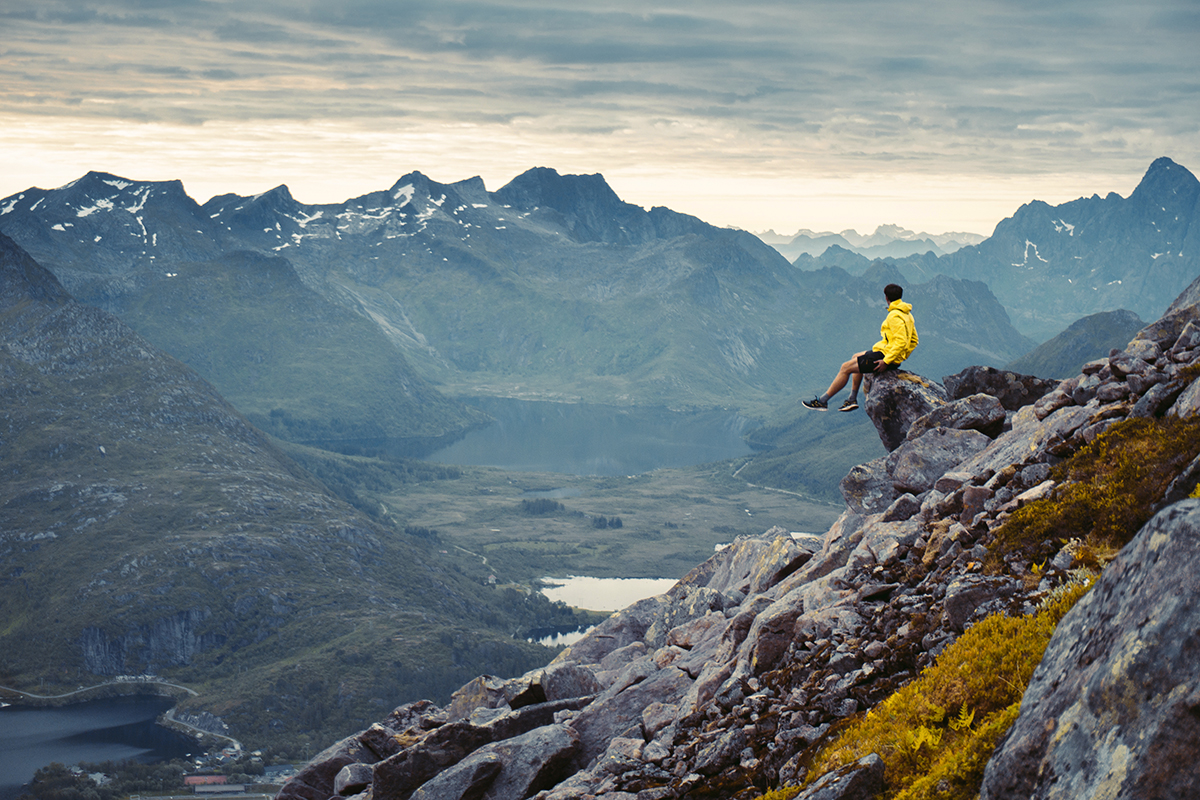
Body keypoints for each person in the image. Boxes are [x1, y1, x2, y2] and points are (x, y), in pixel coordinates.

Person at [802, 283, 918, 411]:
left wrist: (887, 361)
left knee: (845, 367)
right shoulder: (907, 314)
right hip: (887, 353)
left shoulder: (894, 315)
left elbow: (901, 342)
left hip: (886, 356)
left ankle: (822, 401)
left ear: (886, 298)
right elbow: (914, 340)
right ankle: (852, 399)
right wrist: (901, 357)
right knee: (856, 356)